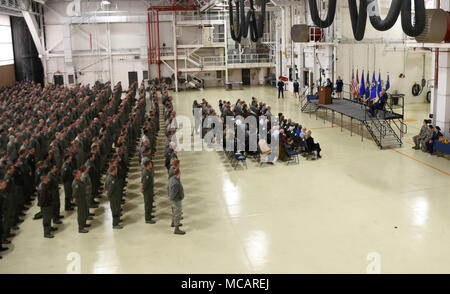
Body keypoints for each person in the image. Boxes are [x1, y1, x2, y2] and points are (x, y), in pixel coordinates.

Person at [168, 168, 185, 235]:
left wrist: (169, 196)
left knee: (174, 212)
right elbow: (173, 194)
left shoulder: (171, 179)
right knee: (177, 213)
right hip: (176, 200)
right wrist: (171, 198)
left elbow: (168, 188)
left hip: (173, 199)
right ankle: (176, 229)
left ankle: (173, 223)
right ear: (178, 174)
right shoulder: (176, 183)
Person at [72, 169, 88, 233]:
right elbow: (75, 193)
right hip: (80, 200)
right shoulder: (76, 183)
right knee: (81, 214)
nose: (81, 173)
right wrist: (74, 198)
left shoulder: (79, 180)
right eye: (79, 173)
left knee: (84, 212)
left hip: (83, 198)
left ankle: (83, 224)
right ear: (76, 175)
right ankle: (80, 228)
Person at [141, 160, 155, 224]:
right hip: (147, 191)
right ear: (148, 165)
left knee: (150, 203)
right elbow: (145, 183)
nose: (151, 164)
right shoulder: (146, 173)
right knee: (148, 204)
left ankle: (149, 216)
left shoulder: (147, 171)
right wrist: (143, 189)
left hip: (149, 190)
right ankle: (147, 219)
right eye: (150, 164)